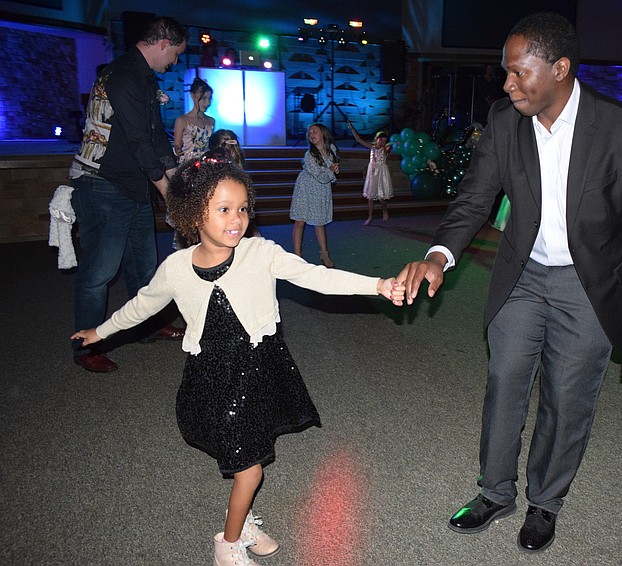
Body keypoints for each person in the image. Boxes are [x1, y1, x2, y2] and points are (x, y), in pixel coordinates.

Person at [397, 12, 622, 554]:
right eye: (506, 73)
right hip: (520, 278)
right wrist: (437, 254)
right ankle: (495, 492)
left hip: (587, 287)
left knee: (567, 401)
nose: (507, 84)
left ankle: (546, 503)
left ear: (561, 68)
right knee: (505, 385)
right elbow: (474, 197)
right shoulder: (505, 121)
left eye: (519, 73)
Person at [70, 154, 404, 566]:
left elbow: (318, 277)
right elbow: (141, 307)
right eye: (224, 209)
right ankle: (227, 543)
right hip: (213, 377)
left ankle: (241, 523)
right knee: (250, 469)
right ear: (193, 214)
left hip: (261, 368)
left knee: (253, 452)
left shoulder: (260, 253)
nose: (237, 218)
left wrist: (378, 285)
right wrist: (99, 332)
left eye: (243, 207)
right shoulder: (175, 268)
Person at [68, 16, 188, 373]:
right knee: (99, 273)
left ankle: (145, 325)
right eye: (176, 54)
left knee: (143, 266)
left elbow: (155, 137)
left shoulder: (145, 78)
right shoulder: (122, 74)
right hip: (102, 184)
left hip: (133, 186)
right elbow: (137, 140)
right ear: (164, 43)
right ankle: (85, 345)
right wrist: (167, 190)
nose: (175, 62)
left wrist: (175, 180)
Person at [290, 123, 339, 268]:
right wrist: (331, 171)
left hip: (321, 189)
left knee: (319, 221)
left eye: (314, 132)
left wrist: (334, 171)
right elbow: (320, 175)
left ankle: (324, 254)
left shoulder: (332, 150)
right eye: (309, 132)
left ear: (323, 133)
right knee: (300, 221)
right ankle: (297, 255)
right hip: (306, 188)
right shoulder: (309, 155)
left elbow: (330, 176)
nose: (311, 135)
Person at [348, 123, 394, 224]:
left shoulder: (385, 149)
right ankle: (370, 217)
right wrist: (352, 129)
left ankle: (385, 211)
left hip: (382, 173)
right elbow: (359, 140)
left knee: (381, 198)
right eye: (381, 139)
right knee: (370, 197)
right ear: (376, 138)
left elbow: (389, 147)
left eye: (384, 141)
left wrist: (391, 144)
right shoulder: (372, 147)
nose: (382, 142)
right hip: (372, 173)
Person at [173, 77, 215, 164]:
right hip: (187, 166)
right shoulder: (182, 121)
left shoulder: (211, 121)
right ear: (192, 95)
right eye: (204, 98)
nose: (207, 103)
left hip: (206, 165)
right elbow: (177, 147)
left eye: (209, 99)